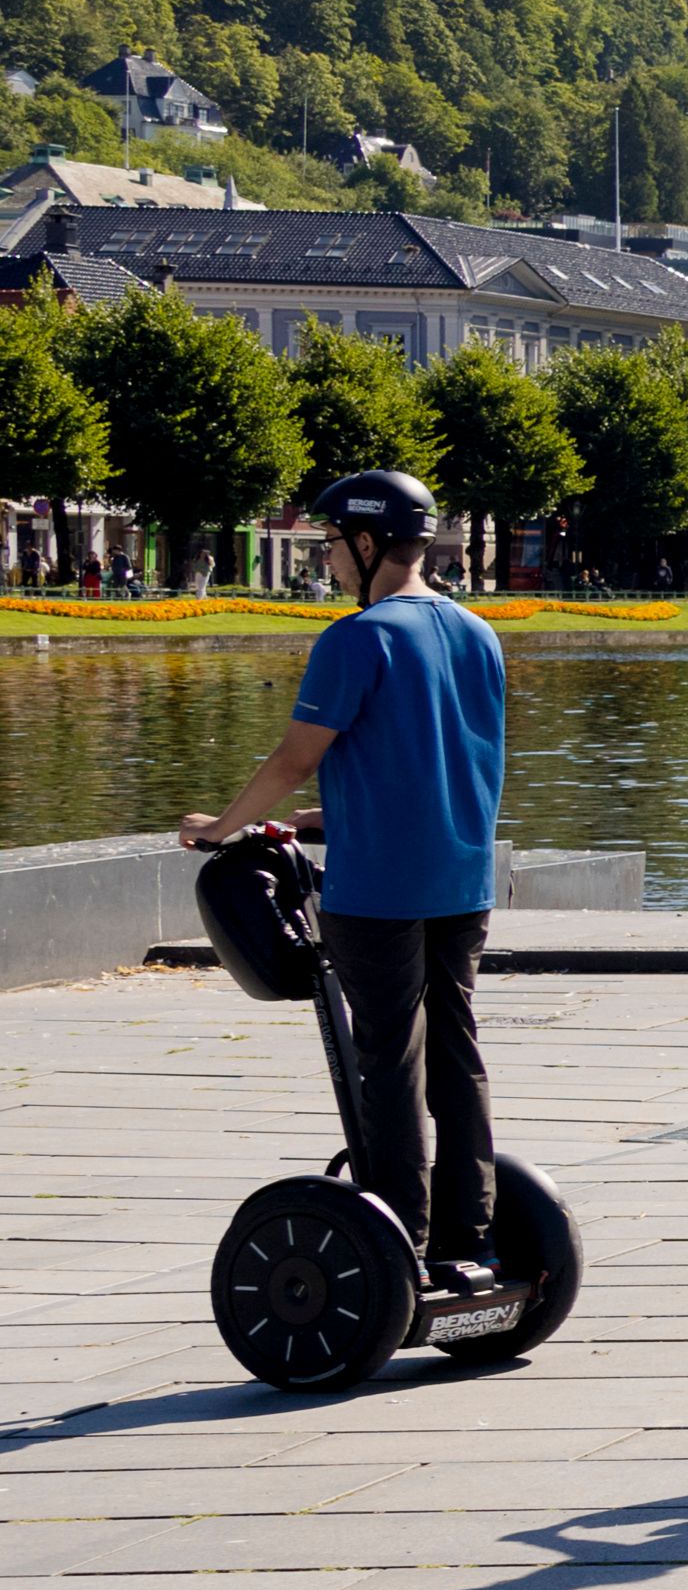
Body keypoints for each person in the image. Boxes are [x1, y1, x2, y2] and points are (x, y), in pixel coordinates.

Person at [181, 468, 510, 1282]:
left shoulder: (357, 637)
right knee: (456, 1051)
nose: (325, 559)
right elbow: (439, 760)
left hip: (380, 890)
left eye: (329, 543)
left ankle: (402, 1240)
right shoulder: (477, 632)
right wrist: (321, 820)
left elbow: (296, 757)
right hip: (461, 878)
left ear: (366, 542)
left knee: (389, 1059)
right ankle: (471, 1234)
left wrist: (219, 829)